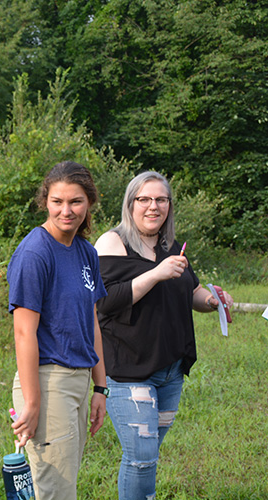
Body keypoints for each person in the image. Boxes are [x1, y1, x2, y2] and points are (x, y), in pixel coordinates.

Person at [94, 171, 233, 500]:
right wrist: (155, 274)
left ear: (169, 205)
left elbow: (192, 290)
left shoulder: (171, 245)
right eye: (144, 199)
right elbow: (104, 301)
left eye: (160, 199)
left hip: (170, 370)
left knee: (149, 454)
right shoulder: (112, 242)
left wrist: (212, 301)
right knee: (141, 458)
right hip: (129, 369)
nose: (152, 206)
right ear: (131, 204)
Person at [8, 161, 108, 500]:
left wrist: (100, 387)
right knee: (55, 492)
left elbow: (90, 320)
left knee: (63, 488)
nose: (67, 210)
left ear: (89, 202)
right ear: (45, 202)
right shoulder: (35, 252)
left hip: (80, 380)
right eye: (57, 201)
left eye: (76, 201)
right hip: (48, 382)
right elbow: (24, 333)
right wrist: (33, 402)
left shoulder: (86, 252)